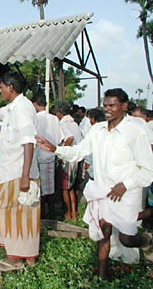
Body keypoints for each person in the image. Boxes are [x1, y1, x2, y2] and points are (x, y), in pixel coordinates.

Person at [36, 88, 153, 280]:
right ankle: (102, 275)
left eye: (112, 105)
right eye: (105, 105)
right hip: (102, 191)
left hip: (126, 192)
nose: (107, 109)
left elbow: (148, 168)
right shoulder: (97, 130)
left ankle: (147, 241)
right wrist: (55, 148)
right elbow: (79, 152)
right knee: (103, 232)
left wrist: (125, 185)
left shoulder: (135, 131)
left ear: (124, 107)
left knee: (126, 238)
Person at [0, 71, 40, 271]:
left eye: (0, 88)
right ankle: (27, 255)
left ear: (11, 88)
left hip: (17, 171)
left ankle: (16, 258)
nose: (0, 91)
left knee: (16, 214)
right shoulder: (12, 108)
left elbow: (29, 141)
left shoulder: (22, 108)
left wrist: (25, 176)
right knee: (20, 213)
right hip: (10, 170)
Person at [31, 91, 63, 219]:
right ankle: (52, 214)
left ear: (35, 104)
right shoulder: (54, 118)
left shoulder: (36, 119)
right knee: (50, 189)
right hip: (51, 157)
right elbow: (61, 138)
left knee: (41, 190)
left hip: (39, 158)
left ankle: (43, 216)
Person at [54, 101, 83, 220]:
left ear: (60, 113)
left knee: (64, 187)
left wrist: (63, 153)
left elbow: (69, 138)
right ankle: (74, 214)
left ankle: (68, 214)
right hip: (76, 159)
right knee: (71, 188)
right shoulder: (74, 123)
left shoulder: (63, 123)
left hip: (68, 159)